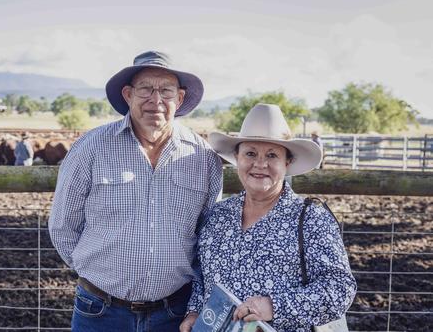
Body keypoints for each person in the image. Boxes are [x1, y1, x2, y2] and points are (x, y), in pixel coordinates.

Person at [49, 51, 223, 331]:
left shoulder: (202, 157)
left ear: (179, 99)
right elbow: (62, 226)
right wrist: (96, 272)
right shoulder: (91, 148)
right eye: (146, 89)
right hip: (100, 310)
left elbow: (207, 232)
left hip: (174, 312)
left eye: (166, 91)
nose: (156, 101)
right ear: (128, 94)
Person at [180, 104, 356, 332]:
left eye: (272, 155)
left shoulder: (311, 218)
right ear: (237, 157)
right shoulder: (218, 215)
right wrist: (194, 313)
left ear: (287, 162)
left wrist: (273, 306)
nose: (260, 164)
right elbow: (202, 278)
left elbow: (340, 288)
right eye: (251, 153)